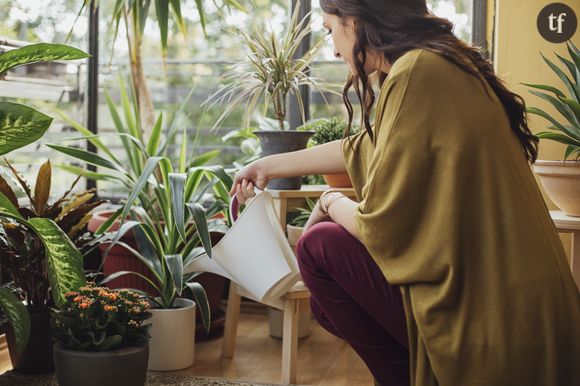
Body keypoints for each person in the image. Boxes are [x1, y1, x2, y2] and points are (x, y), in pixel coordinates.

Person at [229, 1, 580, 385]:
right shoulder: (438, 64)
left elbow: (381, 228)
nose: (332, 49)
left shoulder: (416, 72)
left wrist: (329, 202)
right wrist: (266, 166)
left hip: (494, 314)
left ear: (357, 19)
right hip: (524, 307)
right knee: (324, 301)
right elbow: (366, 146)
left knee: (319, 246)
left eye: (330, 30)